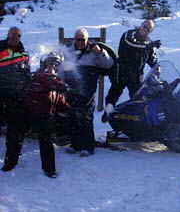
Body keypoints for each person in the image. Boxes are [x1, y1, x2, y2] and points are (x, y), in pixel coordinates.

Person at [1, 52, 70, 177]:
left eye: (55, 65)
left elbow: (61, 102)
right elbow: (42, 81)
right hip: (27, 112)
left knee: (46, 141)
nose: (51, 67)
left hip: (44, 115)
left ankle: (49, 170)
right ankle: (10, 163)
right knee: (15, 137)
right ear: (44, 64)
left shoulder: (57, 82)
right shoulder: (37, 76)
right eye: (49, 64)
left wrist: (68, 110)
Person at [60, 28, 114, 156]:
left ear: (87, 39)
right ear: (74, 39)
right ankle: (75, 144)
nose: (80, 42)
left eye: (82, 39)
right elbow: (62, 67)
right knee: (72, 116)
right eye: (78, 39)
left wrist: (101, 52)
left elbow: (108, 64)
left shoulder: (94, 51)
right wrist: (60, 83)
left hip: (87, 89)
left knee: (86, 117)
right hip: (71, 87)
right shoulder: (69, 51)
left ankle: (88, 147)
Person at [103, 20, 161, 119]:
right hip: (121, 71)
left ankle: (134, 121)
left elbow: (152, 59)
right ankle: (107, 113)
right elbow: (131, 44)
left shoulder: (149, 42)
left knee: (137, 98)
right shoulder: (129, 35)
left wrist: (157, 68)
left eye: (148, 29)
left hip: (137, 75)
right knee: (114, 93)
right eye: (144, 26)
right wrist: (148, 46)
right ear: (141, 25)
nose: (145, 29)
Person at [0, 27, 31, 166]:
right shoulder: (1, 48)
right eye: (12, 35)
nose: (15, 38)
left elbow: (27, 74)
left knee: (15, 129)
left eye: (18, 35)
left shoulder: (24, 53)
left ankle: (11, 160)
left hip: (17, 96)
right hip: (2, 94)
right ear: (8, 35)